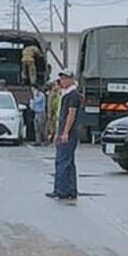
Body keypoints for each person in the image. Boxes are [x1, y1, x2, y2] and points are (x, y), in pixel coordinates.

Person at [47, 70, 81, 202]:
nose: (62, 80)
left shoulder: (73, 94)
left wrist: (65, 132)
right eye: (61, 78)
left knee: (62, 161)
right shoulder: (66, 94)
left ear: (71, 79)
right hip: (63, 131)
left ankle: (61, 190)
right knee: (69, 162)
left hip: (68, 133)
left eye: (65, 78)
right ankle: (71, 189)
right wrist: (57, 132)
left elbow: (71, 115)